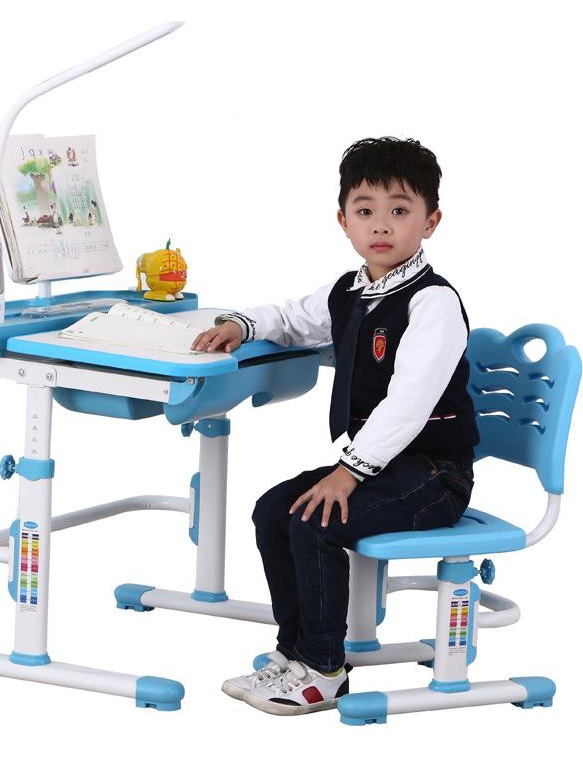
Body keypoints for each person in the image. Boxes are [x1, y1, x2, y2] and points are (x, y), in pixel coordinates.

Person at [191, 137, 479, 716]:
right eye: (365, 210)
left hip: (434, 476)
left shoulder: (433, 303)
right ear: (343, 220)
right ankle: (295, 653)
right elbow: (292, 318)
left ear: (431, 222)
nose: (382, 225)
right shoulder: (351, 291)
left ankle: (324, 668)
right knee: (274, 509)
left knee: (316, 519)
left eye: (400, 210)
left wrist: (348, 473)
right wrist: (243, 325)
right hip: (384, 469)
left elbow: (407, 404)